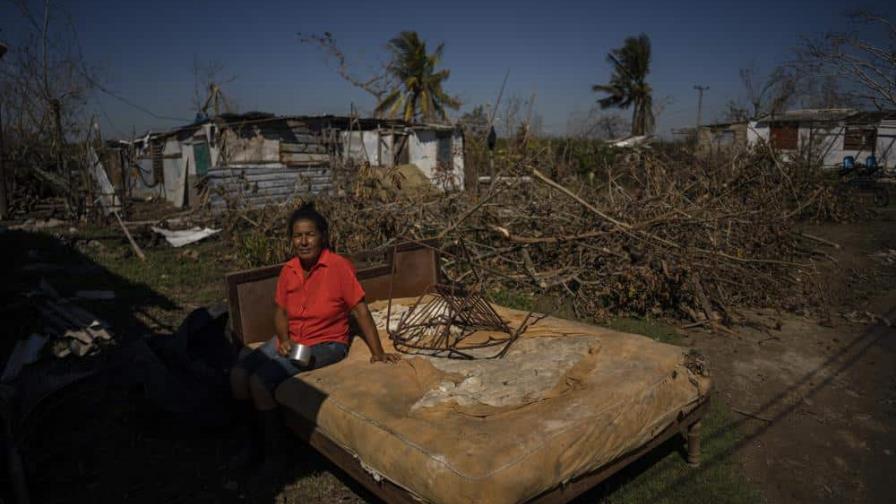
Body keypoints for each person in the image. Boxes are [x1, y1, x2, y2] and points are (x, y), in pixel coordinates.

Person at [229, 203, 400, 471]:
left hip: (326, 344)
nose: (304, 241)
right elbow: (280, 311)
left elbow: (361, 310)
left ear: (322, 236)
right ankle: (250, 445)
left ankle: (276, 456)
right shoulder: (289, 270)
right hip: (292, 338)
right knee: (239, 374)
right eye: (298, 236)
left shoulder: (338, 267)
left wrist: (377, 352)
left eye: (310, 234)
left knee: (260, 381)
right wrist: (283, 338)